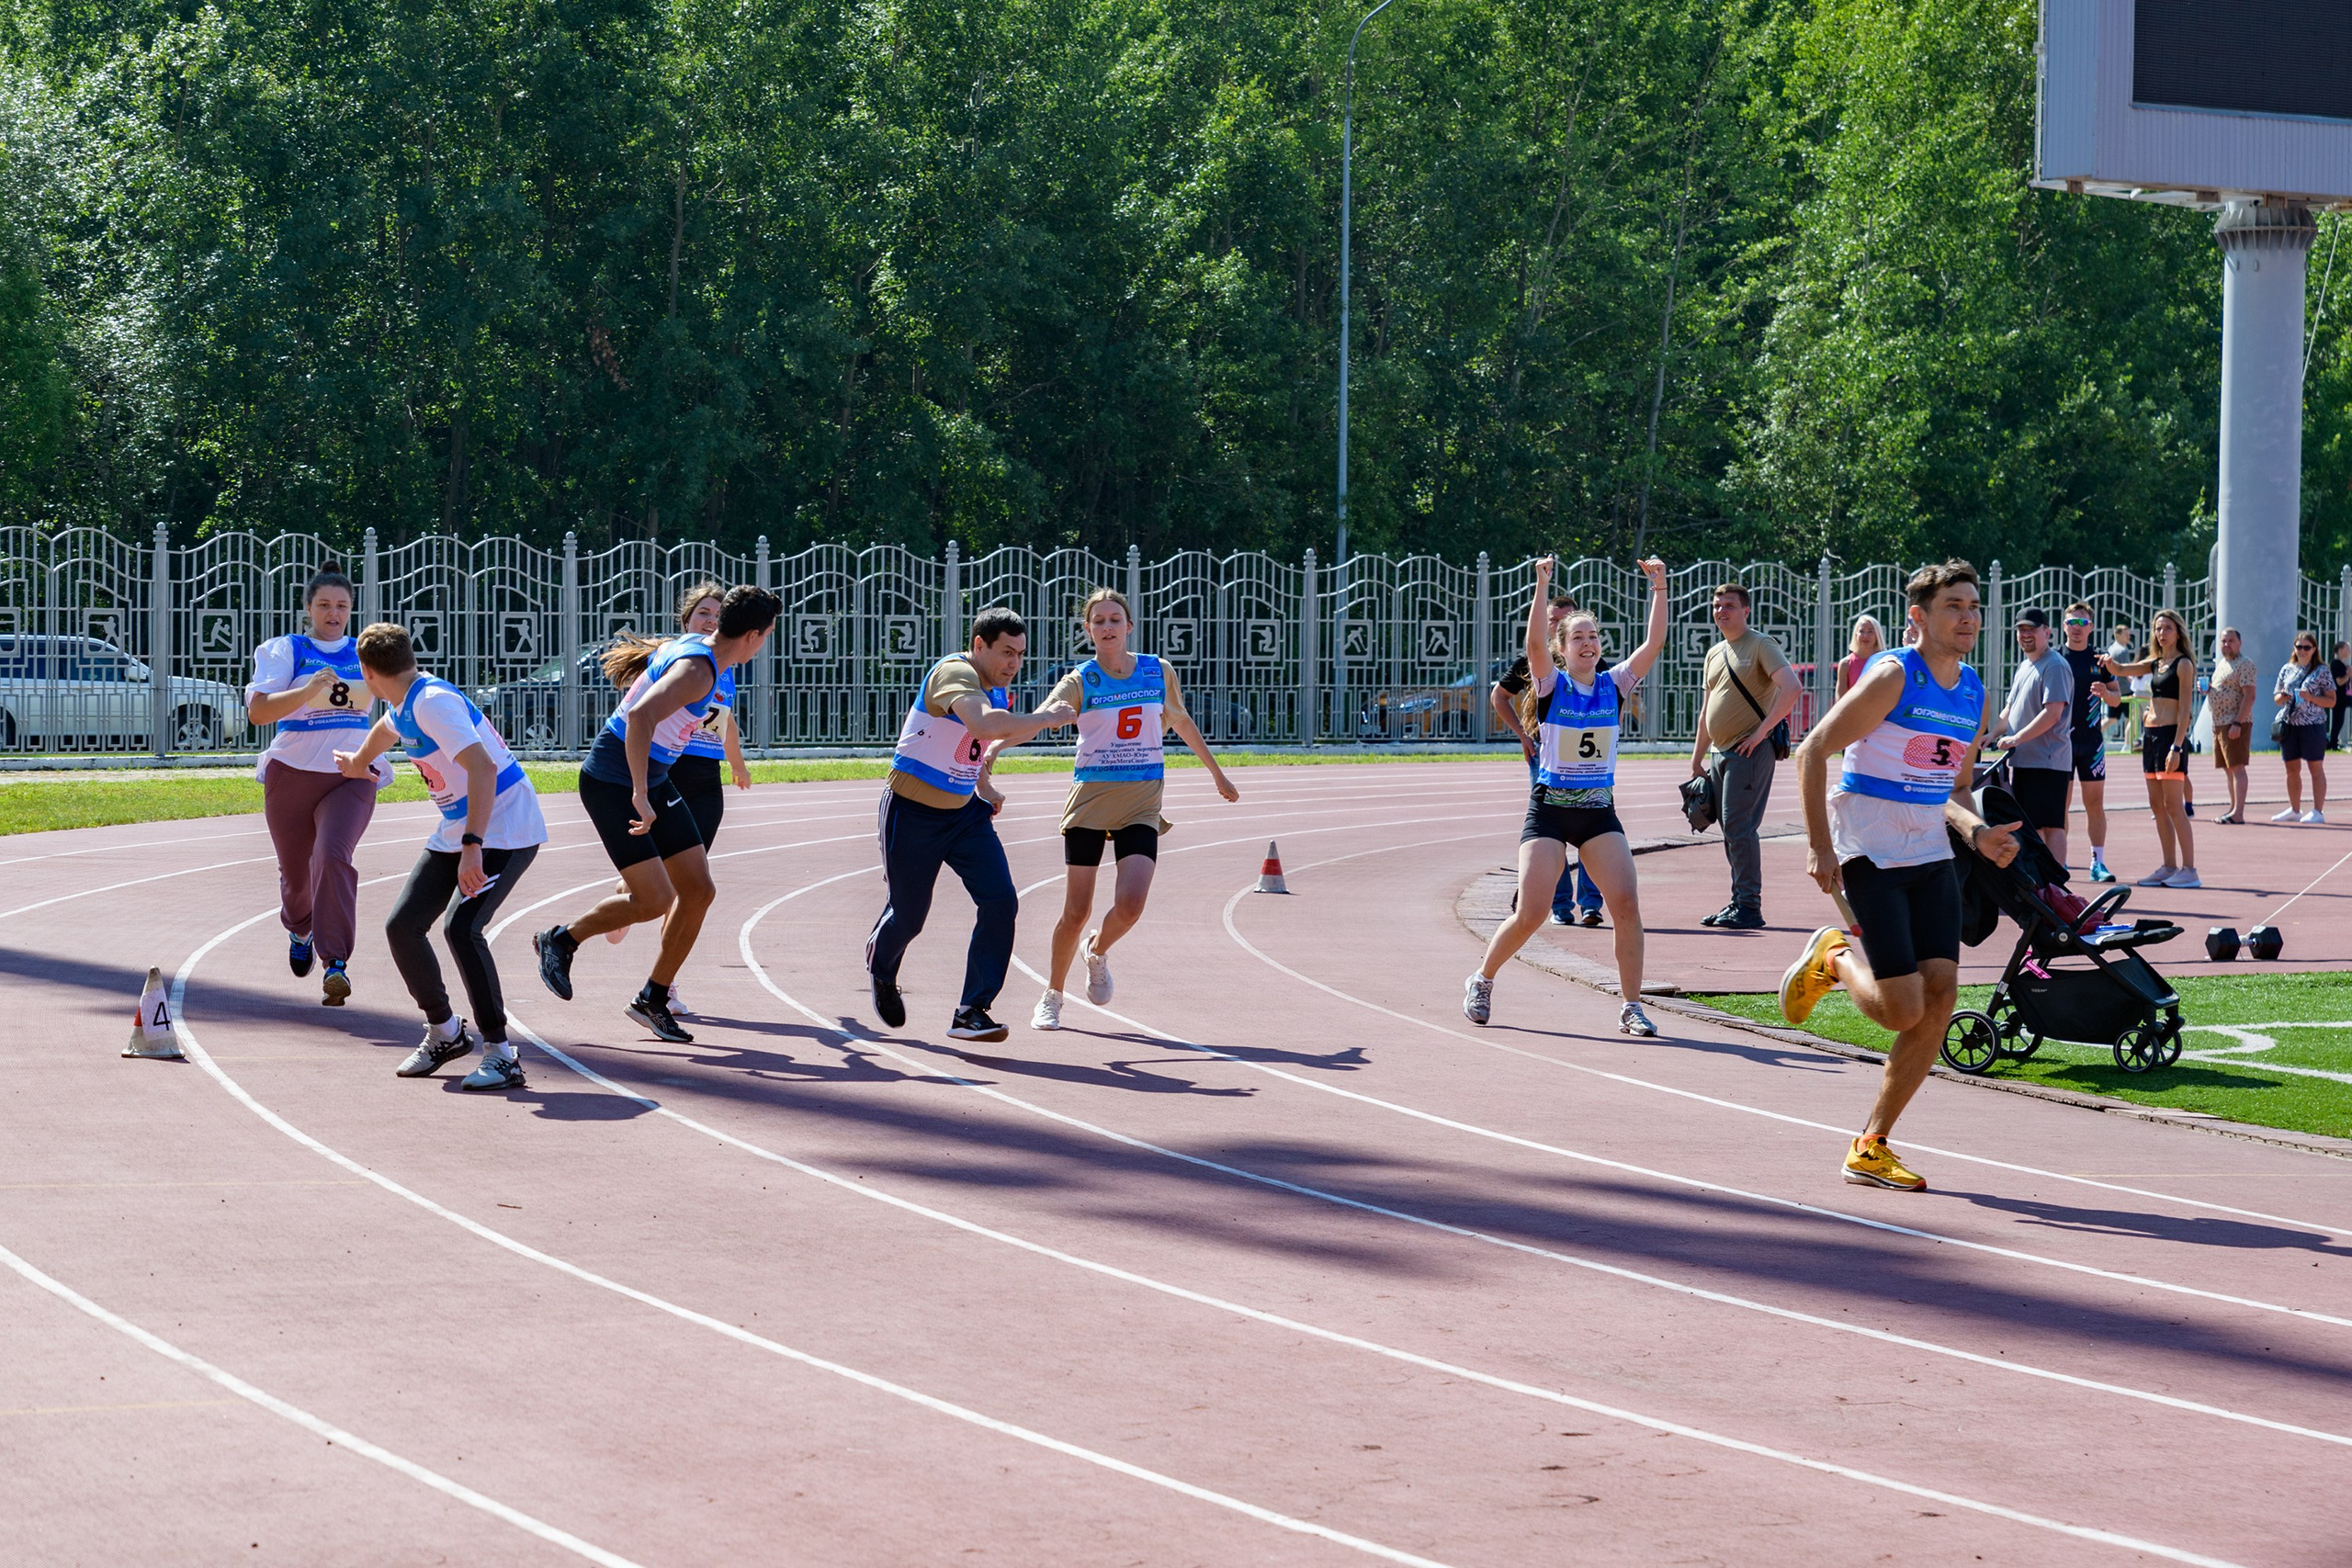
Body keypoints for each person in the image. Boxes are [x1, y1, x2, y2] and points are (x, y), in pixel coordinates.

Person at [1777, 560, 2021, 1192]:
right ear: (1919, 616)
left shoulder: (1973, 691)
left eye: (1974, 606)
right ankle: (1835, 959)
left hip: (1930, 850)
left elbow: (1954, 788)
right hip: (1869, 847)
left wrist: (1977, 833)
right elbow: (1811, 751)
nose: (1968, 617)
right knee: (1900, 1010)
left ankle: (1871, 1144)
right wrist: (1820, 846)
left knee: (1940, 997)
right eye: (1953, 606)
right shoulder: (1893, 676)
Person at [532, 585, 782, 1044]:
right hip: (614, 780)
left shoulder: (701, 651)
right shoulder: (697, 671)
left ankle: (653, 997)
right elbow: (640, 717)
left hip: (653, 774)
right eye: (767, 635)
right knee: (654, 900)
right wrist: (641, 793)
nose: (765, 643)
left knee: (698, 890)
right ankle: (561, 939)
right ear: (752, 635)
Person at [334, 623, 548, 1091]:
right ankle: (446, 1032)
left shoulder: (433, 703)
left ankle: (502, 1054)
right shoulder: (405, 699)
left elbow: (483, 768)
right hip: (461, 826)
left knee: (462, 928)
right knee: (403, 926)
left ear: (367, 672)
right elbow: (387, 728)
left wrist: (473, 846)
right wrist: (358, 762)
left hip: (505, 827)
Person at [1464, 556, 1670, 1036]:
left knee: (1626, 904)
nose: (1588, 643)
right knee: (1532, 912)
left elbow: (1655, 642)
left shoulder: (1615, 684)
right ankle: (1482, 978)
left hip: (1598, 812)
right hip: (1551, 812)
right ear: (1562, 648)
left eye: (1593, 636)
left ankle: (1632, 1006)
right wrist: (1542, 585)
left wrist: (1659, 589)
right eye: (1577, 637)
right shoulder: (1551, 684)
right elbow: (1534, 643)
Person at [1026, 589, 1239, 1030]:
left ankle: (1097, 951)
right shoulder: (1081, 680)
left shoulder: (1157, 670)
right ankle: (1053, 994)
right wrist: (994, 747)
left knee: (1130, 906)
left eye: (1114, 619)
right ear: (1088, 630)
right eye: (1098, 621)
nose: (1107, 627)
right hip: (1090, 801)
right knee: (1076, 911)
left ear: (1129, 626)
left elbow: (1181, 720)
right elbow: (1040, 716)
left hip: (1141, 802)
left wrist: (1217, 774)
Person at [866, 607, 1072, 1043]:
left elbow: (972, 742)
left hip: (965, 815)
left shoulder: (995, 686)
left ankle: (972, 1010)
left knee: (1000, 901)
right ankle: (881, 966)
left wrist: (984, 785)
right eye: (1006, 652)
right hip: (912, 813)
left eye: (1020, 654)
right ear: (979, 645)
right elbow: (981, 724)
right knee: (909, 918)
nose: (1014, 663)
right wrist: (1047, 717)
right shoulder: (954, 673)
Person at [596, 582, 754, 1020]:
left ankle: (665, 983)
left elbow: (725, 722)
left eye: (718, 614)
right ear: (687, 620)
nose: (711, 619)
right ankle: (629, 897)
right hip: (669, 772)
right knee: (670, 885)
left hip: (705, 782)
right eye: (703, 612)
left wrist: (737, 765)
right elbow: (642, 713)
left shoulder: (725, 669)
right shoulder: (684, 660)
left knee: (690, 887)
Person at [243, 563, 390, 1006]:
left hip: (352, 774)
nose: (333, 613)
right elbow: (259, 713)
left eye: (342, 606)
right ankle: (299, 930)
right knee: (296, 879)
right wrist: (307, 690)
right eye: (324, 604)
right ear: (308, 608)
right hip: (292, 772)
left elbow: (404, 702)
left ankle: (336, 963)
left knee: (331, 856)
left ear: (351, 609)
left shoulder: (367, 652)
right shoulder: (288, 649)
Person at [1689, 581, 1801, 929]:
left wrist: (1761, 732)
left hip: (1748, 751)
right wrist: (1696, 757)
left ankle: (1749, 907)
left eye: (1730, 605)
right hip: (1719, 753)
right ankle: (1738, 902)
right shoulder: (1714, 653)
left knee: (1740, 827)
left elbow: (1792, 687)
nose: (1721, 611)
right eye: (1717, 605)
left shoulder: (1761, 644)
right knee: (1730, 829)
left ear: (1746, 610)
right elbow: (1707, 710)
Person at [1491, 589, 1602, 927]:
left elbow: (1614, 697)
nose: (1556, 626)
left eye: (1564, 621)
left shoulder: (1591, 659)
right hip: (1543, 754)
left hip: (1586, 759)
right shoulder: (1533, 661)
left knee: (1593, 830)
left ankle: (1591, 905)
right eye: (1552, 620)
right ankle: (1560, 905)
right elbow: (1499, 696)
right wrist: (1523, 735)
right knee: (1551, 833)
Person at [2100, 609, 2199, 887]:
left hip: (2170, 737)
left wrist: (2177, 747)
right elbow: (2122, 670)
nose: (2162, 633)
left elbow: (2185, 711)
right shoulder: (2155, 663)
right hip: (2151, 736)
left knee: (2174, 806)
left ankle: (2190, 870)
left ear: (2177, 632)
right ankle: (2169, 866)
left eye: (2167, 628)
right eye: (2158, 628)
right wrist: (2108, 661)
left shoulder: (2183, 664)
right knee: (2157, 805)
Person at [1986, 608, 2073, 864]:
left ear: (2047, 632)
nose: (2025, 634)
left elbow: (2052, 714)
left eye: (2031, 629)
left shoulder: (2055, 666)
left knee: (2052, 826)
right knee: (2031, 827)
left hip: (2048, 762)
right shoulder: (2025, 666)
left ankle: (2056, 881)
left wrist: (2017, 738)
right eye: (2021, 630)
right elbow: (2010, 709)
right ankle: (2040, 880)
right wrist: (1991, 734)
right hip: (2024, 761)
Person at [2057, 604, 2120, 879]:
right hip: (2060, 744)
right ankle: (2060, 861)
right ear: (2064, 626)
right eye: (2072, 622)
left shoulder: (2100, 660)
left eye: (2083, 623)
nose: (2077, 628)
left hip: (2091, 743)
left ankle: (2098, 862)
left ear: (2091, 627)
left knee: (2094, 804)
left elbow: (2117, 699)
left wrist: (2106, 692)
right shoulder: (2055, 658)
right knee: (2060, 805)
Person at [2272, 632, 2336, 823]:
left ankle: (2318, 811)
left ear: (2314, 649)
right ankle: (2294, 809)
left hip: (2312, 724)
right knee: (2291, 768)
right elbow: (2276, 698)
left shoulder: (2322, 671)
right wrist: (2282, 697)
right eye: (2299, 647)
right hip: (2290, 724)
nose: (2302, 651)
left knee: (2315, 767)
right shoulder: (2287, 669)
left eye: (2306, 647)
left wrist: (2310, 697)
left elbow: (2332, 701)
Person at [2208, 626, 2256, 824]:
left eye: (2231, 641)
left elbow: (2249, 696)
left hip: (2235, 722)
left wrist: (2237, 722)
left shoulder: (2245, 664)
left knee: (2237, 767)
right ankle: (2233, 808)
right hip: (2219, 723)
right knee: (2228, 768)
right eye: (2223, 641)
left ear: (2240, 643)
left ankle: (2238, 813)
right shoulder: (2222, 664)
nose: (2226, 644)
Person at [1833, 615, 1886, 702]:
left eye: (1870, 632)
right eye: (1862, 631)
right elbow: (1840, 699)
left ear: (1877, 635)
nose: (1865, 636)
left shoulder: (1885, 661)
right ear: (1856, 634)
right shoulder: (1845, 664)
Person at [2331, 642, 2350, 750]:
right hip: (2339, 697)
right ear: (2340, 650)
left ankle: (2333, 743)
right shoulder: (2336, 664)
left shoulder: (2341, 664)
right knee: (2337, 721)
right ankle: (2333, 744)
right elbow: (2339, 682)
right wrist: (2348, 674)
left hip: (2343, 696)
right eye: (2347, 649)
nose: (2349, 652)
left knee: (2338, 721)